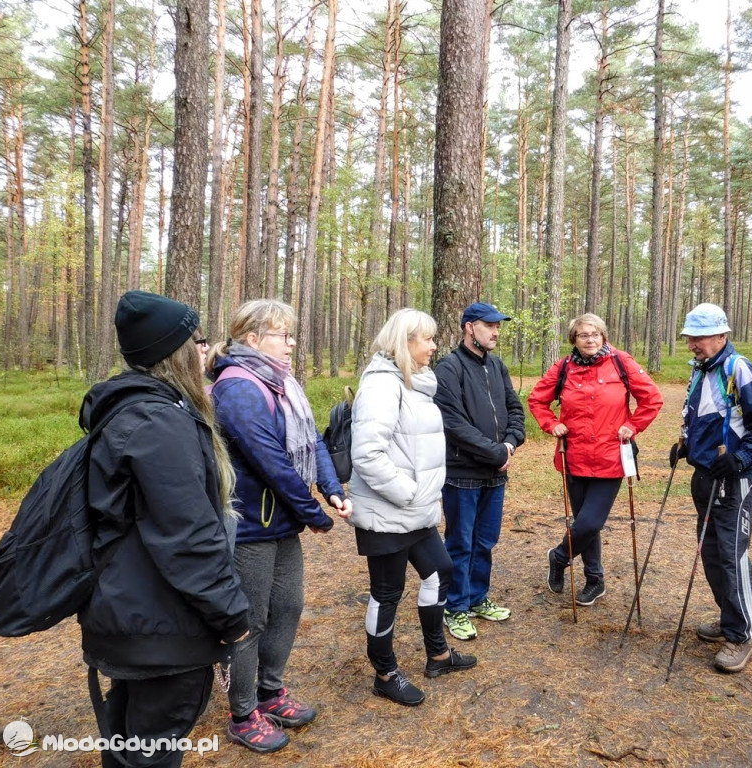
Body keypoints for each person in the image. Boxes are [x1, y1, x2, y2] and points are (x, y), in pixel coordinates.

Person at [80, 290, 250, 768]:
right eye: (197, 340)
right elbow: (189, 538)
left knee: (128, 743)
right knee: (151, 751)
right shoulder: (159, 423)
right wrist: (232, 617)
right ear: (174, 352)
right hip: (161, 628)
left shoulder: (128, 409)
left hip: (129, 616)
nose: (205, 348)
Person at [208, 299, 351, 753]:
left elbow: (312, 442)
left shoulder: (284, 383)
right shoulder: (237, 387)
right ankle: (243, 712)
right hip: (249, 526)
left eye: (291, 334)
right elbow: (269, 460)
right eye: (283, 335)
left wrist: (331, 489)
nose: (291, 344)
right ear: (253, 338)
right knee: (249, 620)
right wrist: (313, 514)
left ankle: (270, 691)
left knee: (288, 607)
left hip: (282, 522)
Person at [348, 308, 477, 707]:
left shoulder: (415, 383)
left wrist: (419, 496)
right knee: (387, 593)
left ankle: (437, 655)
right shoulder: (381, 386)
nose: (435, 346)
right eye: (428, 339)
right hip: (387, 512)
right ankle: (385, 674)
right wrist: (409, 492)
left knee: (441, 570)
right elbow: (367, 455)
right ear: (405, 342)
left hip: (415, 511)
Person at [672, 302, 752, 673]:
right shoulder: (702, 369)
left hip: (733, 481)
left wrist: (741, 458)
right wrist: (686, 446)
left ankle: (741, 633)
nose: (692, 345)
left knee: (732, 555)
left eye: (699, 338)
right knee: (712, 553)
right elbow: (706, 418)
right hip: (704, 476)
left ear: (721, 335)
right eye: (689, 338)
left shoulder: (739, 369)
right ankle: (729, 616)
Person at [528, 313, 663, 607]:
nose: (590, 340)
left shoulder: (621, 362)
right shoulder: (563, 367)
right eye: (583, 335)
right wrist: (551, 424)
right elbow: (537, 400)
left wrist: (633, 425)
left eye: (595, 334)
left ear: (604, 336)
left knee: (589, 523)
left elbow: (652, 398)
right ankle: (595, 579)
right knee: (585, 524)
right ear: (574, 340)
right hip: (574, 456)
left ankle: (559, 556)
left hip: (610, 457)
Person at [434, 302, 527, 641]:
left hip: (495, 474)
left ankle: (476, 598)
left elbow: (515, 410)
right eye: (489, 325)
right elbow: (453, 423)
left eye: (498, 326)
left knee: (485, 541)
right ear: (469, 327)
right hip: (462, 473)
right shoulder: (449, 368)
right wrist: (495, 452)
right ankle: (454, 607)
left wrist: (510, 444)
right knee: (460, 542)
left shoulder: (497, 366)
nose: (496, 332)